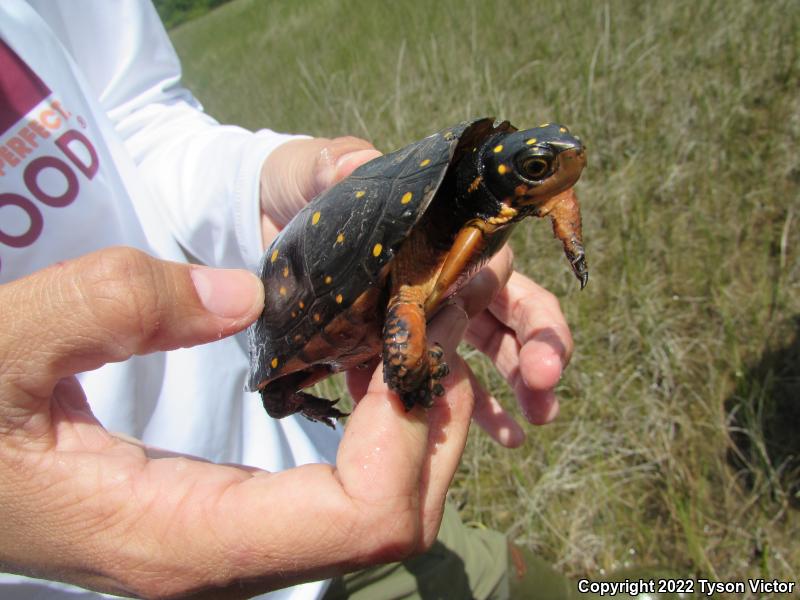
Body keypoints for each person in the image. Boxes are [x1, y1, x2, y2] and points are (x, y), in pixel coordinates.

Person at [0, 1, 578, 598]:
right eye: (538, 167)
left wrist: (257, 183)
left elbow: (133, 113)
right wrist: (415, 375)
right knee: (298, 382)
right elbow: (402, 316)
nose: (560, 171)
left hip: (312, 463)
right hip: (80, 573)